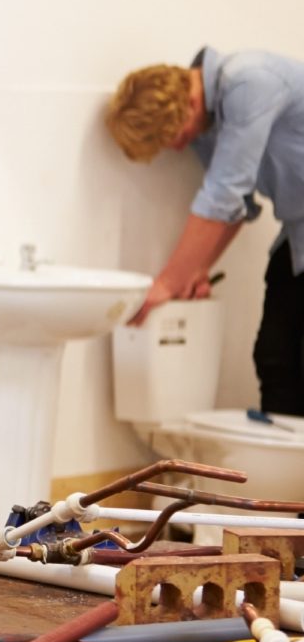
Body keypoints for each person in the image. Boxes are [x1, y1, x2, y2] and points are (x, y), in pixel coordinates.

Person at [106, 47, 304, 414]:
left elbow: (223, 195)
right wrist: (196, 271)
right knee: (275, 358)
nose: (179, 146)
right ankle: (291, 471)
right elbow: (236, 206)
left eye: (175, 138)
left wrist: (167, 282)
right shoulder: (209, 123)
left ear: (189, 106)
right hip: (297, 234)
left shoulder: (249, 82)